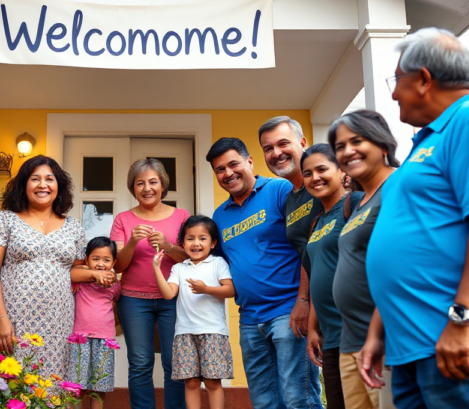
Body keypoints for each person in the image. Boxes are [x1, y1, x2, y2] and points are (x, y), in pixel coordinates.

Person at [360, 27, 469, 408]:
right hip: (412, 341)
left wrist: (461, 318)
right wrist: (379, 330)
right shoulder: (426, 142)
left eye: (397, 81)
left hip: (459, 341)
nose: (393, 93)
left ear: (424, 79)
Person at [208, 138, 323, 409]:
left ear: (249, 162)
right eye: (219, 170)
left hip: (288, 312)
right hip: (249, 320)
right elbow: (222, 265)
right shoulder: (219, 215)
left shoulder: (280, 190)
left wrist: (304, 302)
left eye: (233, 164)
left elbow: (307, 243)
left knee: (299, 399)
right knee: (264, 403)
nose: (228, 173)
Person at [0, 155, 115, 377]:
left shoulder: (73, 227)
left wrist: (95, 274)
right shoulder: (5, 219)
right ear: (24, 185)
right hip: (13, 317)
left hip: (57, 321)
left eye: (49, 179)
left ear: (58, 186)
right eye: (35, 179)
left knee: (50, 387)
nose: (43, 185)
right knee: (7, 386)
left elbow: (73, 272)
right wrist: (1, 318)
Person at [328, 110, 398, 409]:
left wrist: (377, 334)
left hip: (385, 339)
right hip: (351, 340)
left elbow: (403, 268)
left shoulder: (397, 188)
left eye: (357, 140)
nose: (347, 151)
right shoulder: (359, 202)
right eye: (340, 146)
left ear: (382, 144)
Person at [110, 158, 190, 409]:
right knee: (140, 363)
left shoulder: (182, 216)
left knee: (174, 362)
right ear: (132, 188)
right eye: (140, 183)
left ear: (163, 185)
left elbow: (189, 258)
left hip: (173, 297)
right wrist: (133, 242)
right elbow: (118, 266)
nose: (147, 188)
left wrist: (167, 246)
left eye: (153, 182)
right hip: (133, 300)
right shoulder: (123, 219)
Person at [302, 144, 363, 409]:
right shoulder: (316, 222)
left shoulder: (357, 204)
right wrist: (313, 328)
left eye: (322, 169)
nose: (314, 177)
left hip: (359, 332)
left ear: (341, 171)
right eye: (307, 173)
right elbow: (318, 275)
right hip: (331, 336)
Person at [152, 215, 235, 409]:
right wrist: (156, 268)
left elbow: (230, 290)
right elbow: (168, 294)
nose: (196, 243)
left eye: (202, 238)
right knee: (191, 382)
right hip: (185, 333)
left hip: (213, 332)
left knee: (213, 382)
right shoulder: (179, 268)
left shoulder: (218, 264)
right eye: (190, 238)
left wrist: (207, 289)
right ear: (182, 243)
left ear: (213, 243)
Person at [259, 116, 322, 339]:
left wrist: (304, 301)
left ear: (303, 143)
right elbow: (304, 251)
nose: (276, 153)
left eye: (283, 143)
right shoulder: (289, 198)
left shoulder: (323, 185)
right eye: (268, 148)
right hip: (320, 308)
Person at [66, 236, 121, 409]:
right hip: (79, 339)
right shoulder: (80, 280)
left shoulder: (114, 284)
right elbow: (71, 273)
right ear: (87, 260)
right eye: (95, 259)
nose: (100, 264)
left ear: (114, 262)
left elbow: (116, 298)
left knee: (99, 386)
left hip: (105, 340)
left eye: (106, 260)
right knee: (77, 385)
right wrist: (93, 275)